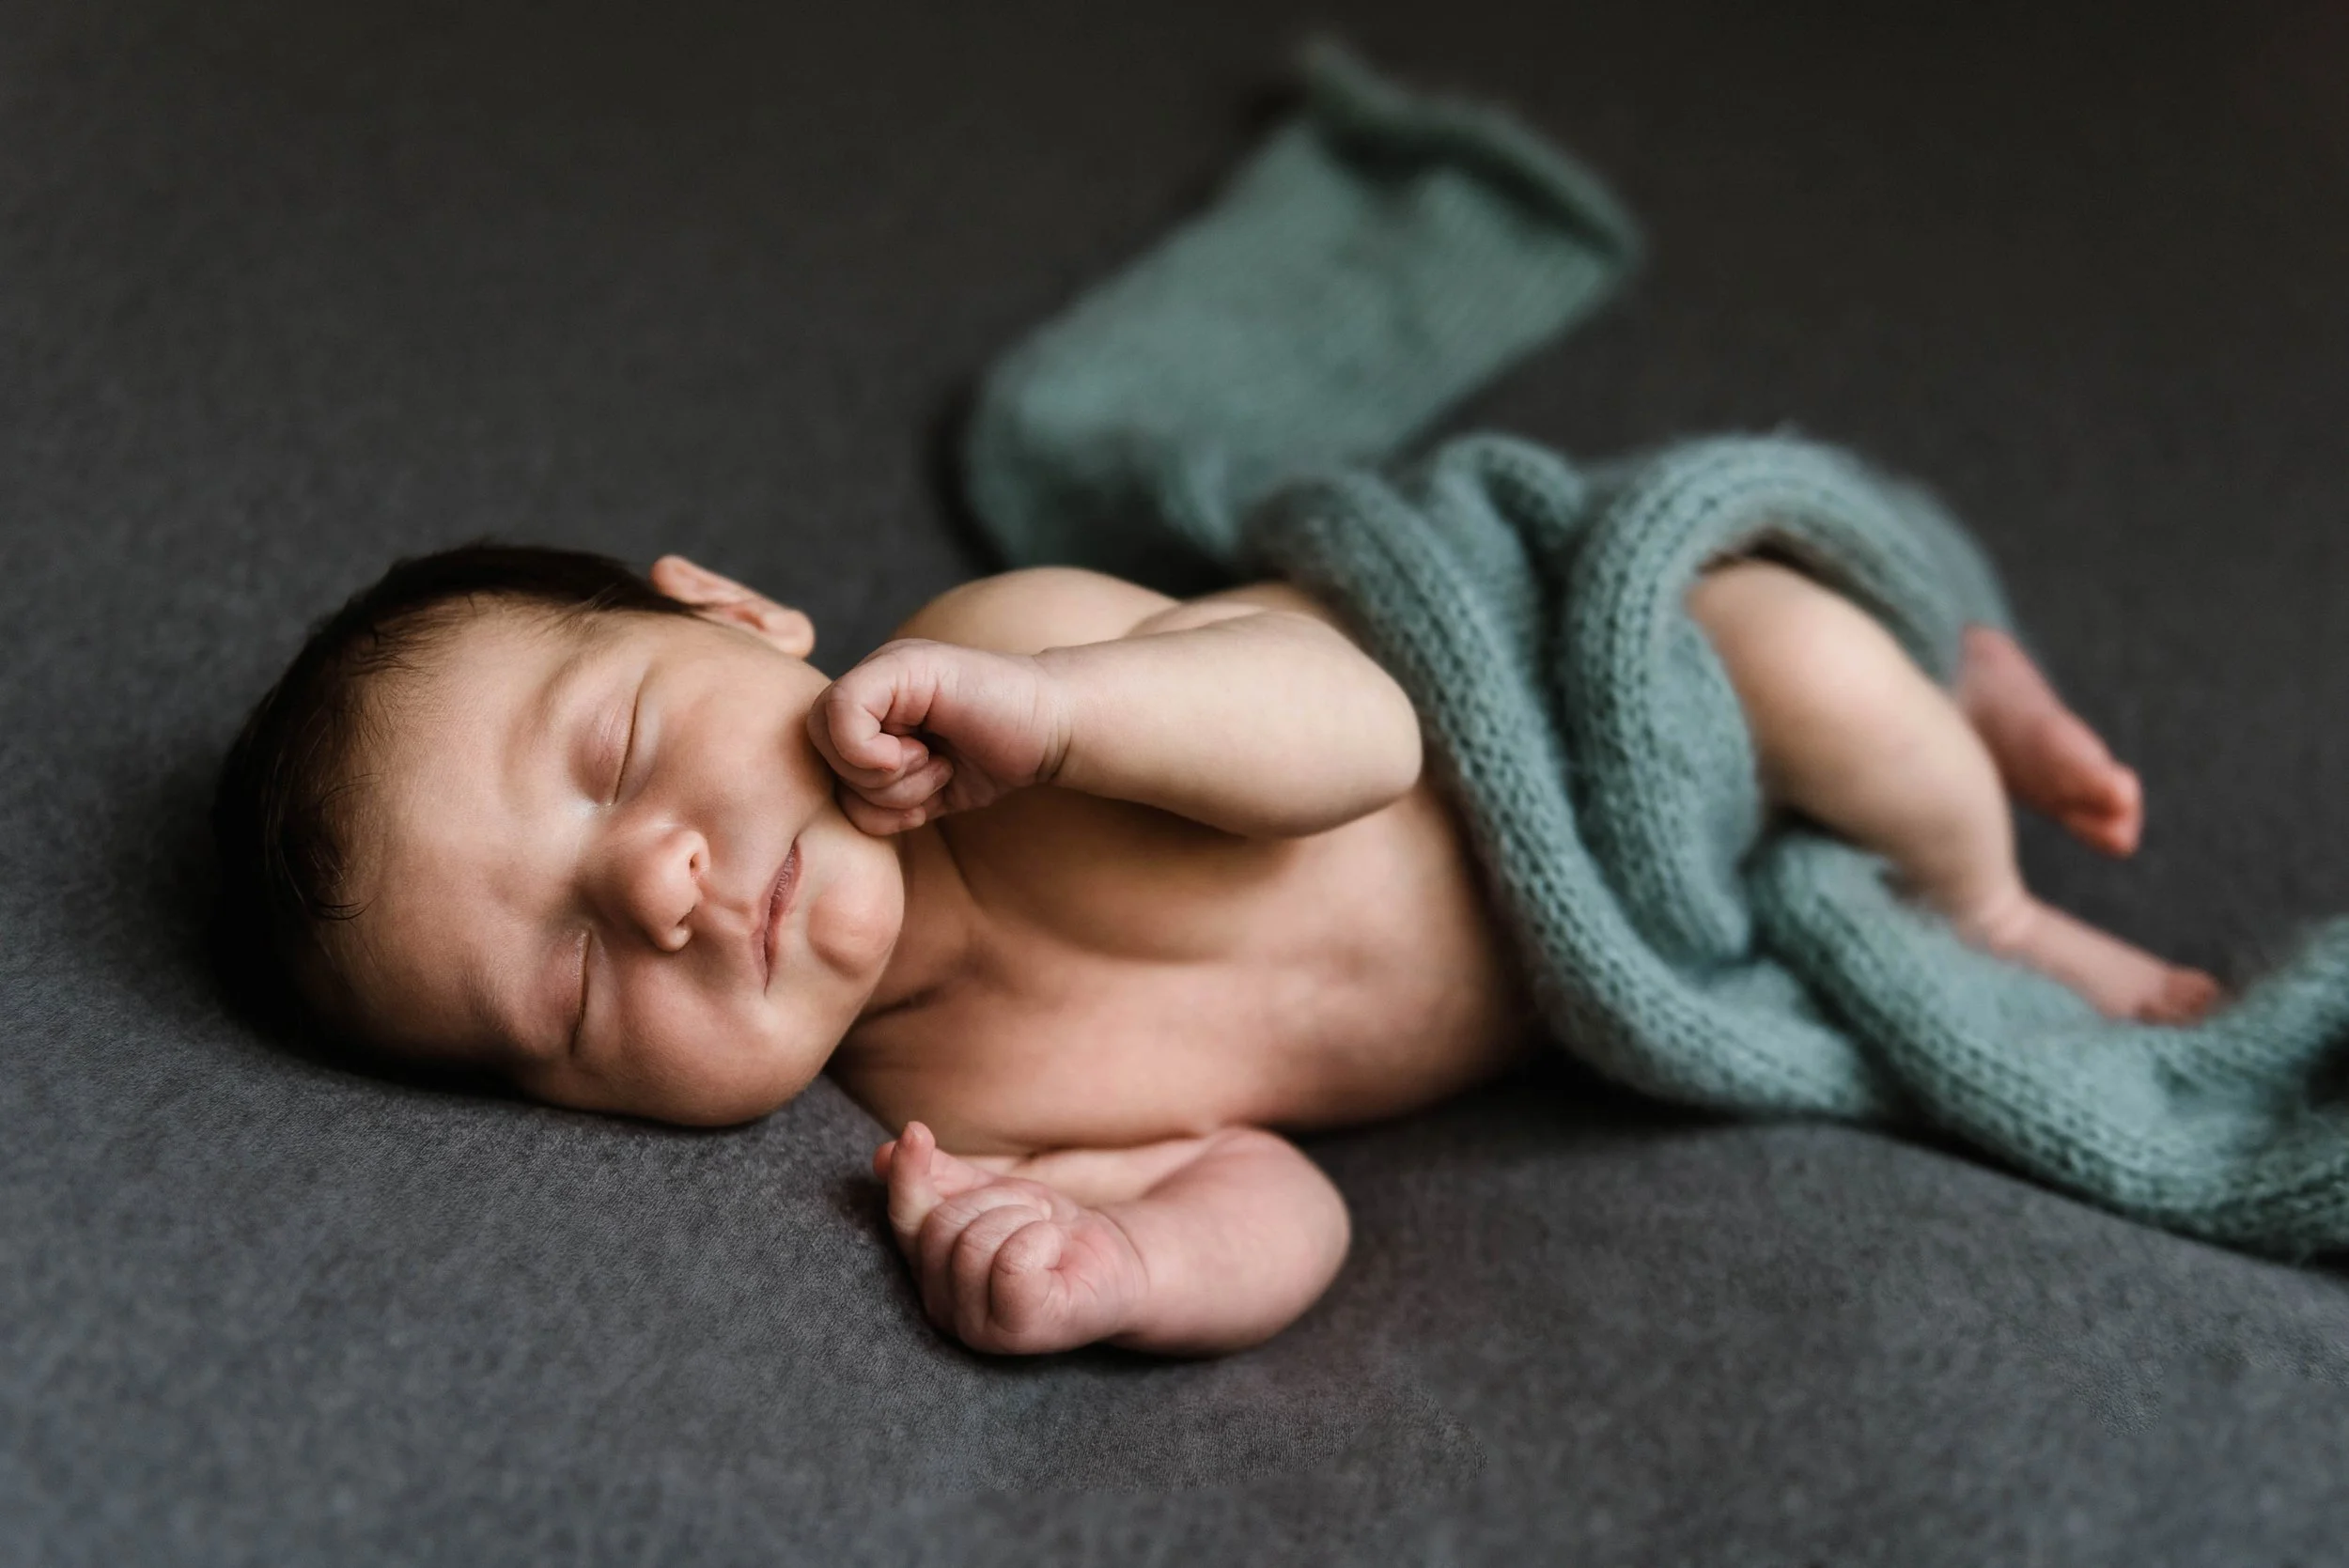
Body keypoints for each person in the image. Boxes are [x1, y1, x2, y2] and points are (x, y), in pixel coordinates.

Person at [211, 544, 2217, 1357]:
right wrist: (1123, 1262)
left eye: (623, 757)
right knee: (1862, 713)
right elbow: (1278, 1189)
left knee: (1791, 644)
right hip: (1621, 943)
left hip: (1605, 700)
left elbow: (1358, 730)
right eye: (571, 992)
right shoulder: (944, 1103)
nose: (653, 890)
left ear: (734, 616)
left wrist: (1081, 715)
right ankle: (1965, 731)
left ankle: (1983, 896)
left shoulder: (1009, 657)